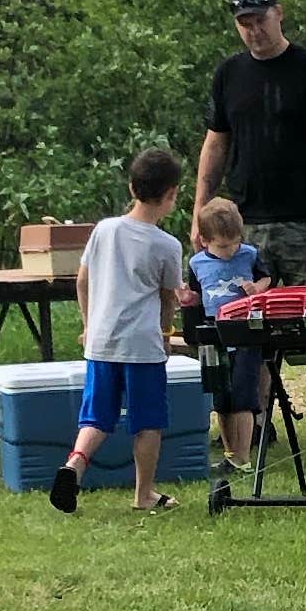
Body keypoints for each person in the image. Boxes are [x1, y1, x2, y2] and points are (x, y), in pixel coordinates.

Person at [49, 147, 186, 516]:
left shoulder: (103, 230)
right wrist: (166, 333)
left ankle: (75, 464)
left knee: (96, 416)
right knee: (148, 421)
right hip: (142, 346)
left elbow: (82, 281)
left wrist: (88, 324)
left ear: (131, 187)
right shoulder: (167, 245)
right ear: (172, 194)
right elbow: (166, 297)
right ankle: (144, 493)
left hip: (101, 341)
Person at [197, 0, 306, 288]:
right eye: (245, 24)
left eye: (260, 20)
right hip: (242, 226)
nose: (254, 30)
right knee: (241, 319)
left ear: (278, 13)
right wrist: (200, 216)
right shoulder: (228, 74)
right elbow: (214, 147)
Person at [187, 193, 265, 469]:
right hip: (213, 333)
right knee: (220, 397)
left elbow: (267, 277)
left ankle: (244, 455)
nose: (230, 251)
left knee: (244, 396)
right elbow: (195, 297)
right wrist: (187, 300)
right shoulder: (197, 264)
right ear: (205, 241)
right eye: (222, 246)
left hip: (244, 331)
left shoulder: (250, 254)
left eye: (234, 243)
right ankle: (230, 453)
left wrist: (258, 289)